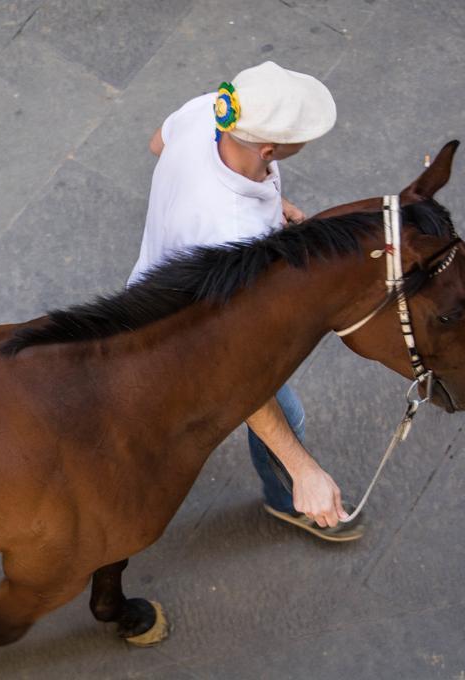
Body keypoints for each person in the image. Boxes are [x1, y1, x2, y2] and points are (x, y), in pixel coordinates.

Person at [128, 61, 364, 541]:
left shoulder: (208, 115)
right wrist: (304, 469)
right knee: (286, 417)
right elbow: (234, 367)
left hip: (148, 293)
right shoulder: (232, 233)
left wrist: (267, 202)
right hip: (185, 335)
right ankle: (288, 500)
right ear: (271, 149)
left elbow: (158, 143)